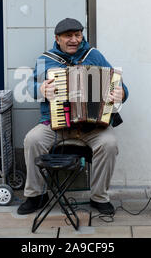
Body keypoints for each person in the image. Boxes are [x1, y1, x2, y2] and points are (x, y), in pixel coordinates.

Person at [17, 18, 129, 216]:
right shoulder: (46, 59)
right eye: (68, 36)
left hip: (92, 127)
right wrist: (41, 89)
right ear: (57, 38)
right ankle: (35, 195)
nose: (74, 40)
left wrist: (121, 93)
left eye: (78, 35)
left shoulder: (94, 55)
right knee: (32, 140)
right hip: (55, 125)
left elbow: (118, 83)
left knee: (109, 144)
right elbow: (31, 87)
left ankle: (99, 197)